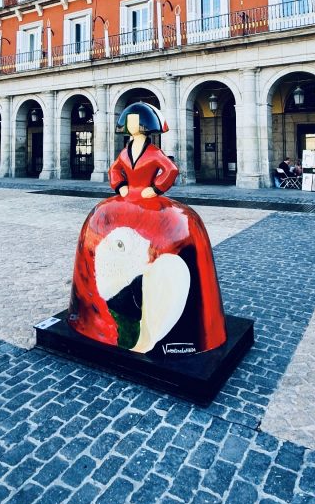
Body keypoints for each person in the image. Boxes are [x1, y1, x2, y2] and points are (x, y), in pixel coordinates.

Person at [69, 102, 227, 355]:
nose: (128, 125)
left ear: (142, 124)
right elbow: (115, 169)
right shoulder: (127, 150)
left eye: (131, 120)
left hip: (147, 198)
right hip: (128, 197)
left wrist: (155, 189)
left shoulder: (153, 151)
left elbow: (170, 169)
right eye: (127, 121)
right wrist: (119, 185)